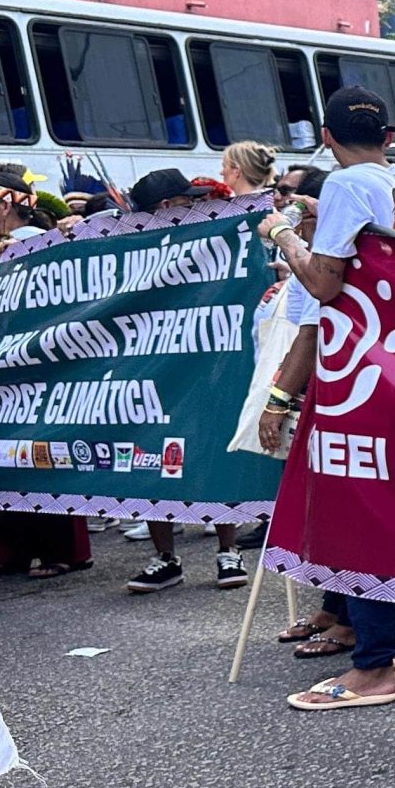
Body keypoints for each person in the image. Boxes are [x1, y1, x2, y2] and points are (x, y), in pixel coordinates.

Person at [259, 85, 395, 712]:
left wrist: (285, 237)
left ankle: (372, 668)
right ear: (389, 136)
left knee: (365, 514)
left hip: (363, 372)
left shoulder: (346, 186)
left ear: (326, 136)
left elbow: (325, 281)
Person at [116, 169, 247, 593]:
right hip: (154, 371)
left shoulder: (217, 240)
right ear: (167, 207)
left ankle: (229, 552)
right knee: (149, 459)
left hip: (210, 368)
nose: (197, 204)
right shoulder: (133, 250)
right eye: (187, 200)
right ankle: (165, 559)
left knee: (214, 456)